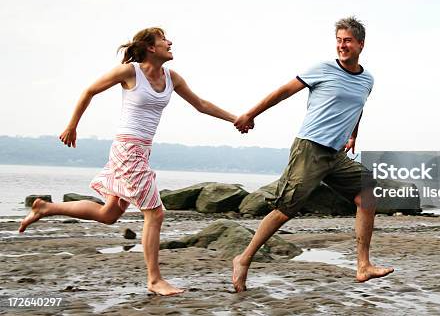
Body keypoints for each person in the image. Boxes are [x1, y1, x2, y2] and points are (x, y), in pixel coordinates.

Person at [19, 27, 239, 296]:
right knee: (155, 213)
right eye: (163, 40)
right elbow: (90, 91)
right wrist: (72, 126)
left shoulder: (172, 77)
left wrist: (236, 118)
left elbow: (201, 104)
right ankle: (154, 279)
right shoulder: (130, 72)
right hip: (127, 150)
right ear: (150, 47)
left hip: (142, 151)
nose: (170, 43)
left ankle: (46, 208)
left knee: (109, 214)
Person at [232, 16, 393, 292]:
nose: (342, 46)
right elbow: (284, 91)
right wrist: (250, 113)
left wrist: (353, 134)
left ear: (361, 45)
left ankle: (363, 265)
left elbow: (358, 106)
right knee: (285, 210)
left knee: (368, 191)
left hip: (335, 154)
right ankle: (244, 258)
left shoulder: (367, 79)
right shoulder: (322, 69)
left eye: (348, 41)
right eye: (339, 41)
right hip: (310, 147)